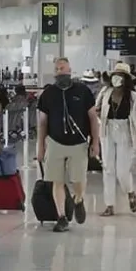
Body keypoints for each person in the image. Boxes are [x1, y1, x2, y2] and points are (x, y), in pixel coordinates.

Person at [36, 58, 100, 232]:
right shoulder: (48, 94)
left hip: (78, 143)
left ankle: (78, 199)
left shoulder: (83, 91)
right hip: (55, 142)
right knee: (57, 180)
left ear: (70, 70)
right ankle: (62, 216)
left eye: (62, 68)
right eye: (57, 69)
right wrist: (40, 147)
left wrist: (96, 141)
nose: (59, 71)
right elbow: (42, 123)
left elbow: (93, 118)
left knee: (78, 179)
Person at [96, 63, 136, 216]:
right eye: (114, 75)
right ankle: (109, 205)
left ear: (125, 79)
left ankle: (130, 192)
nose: (116, 78)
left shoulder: (133, 97)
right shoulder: (105, 92)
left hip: (126, 130)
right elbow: (96, 108)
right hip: (107, 130)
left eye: (120, 75)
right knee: (108, 168)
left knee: (122, 171)